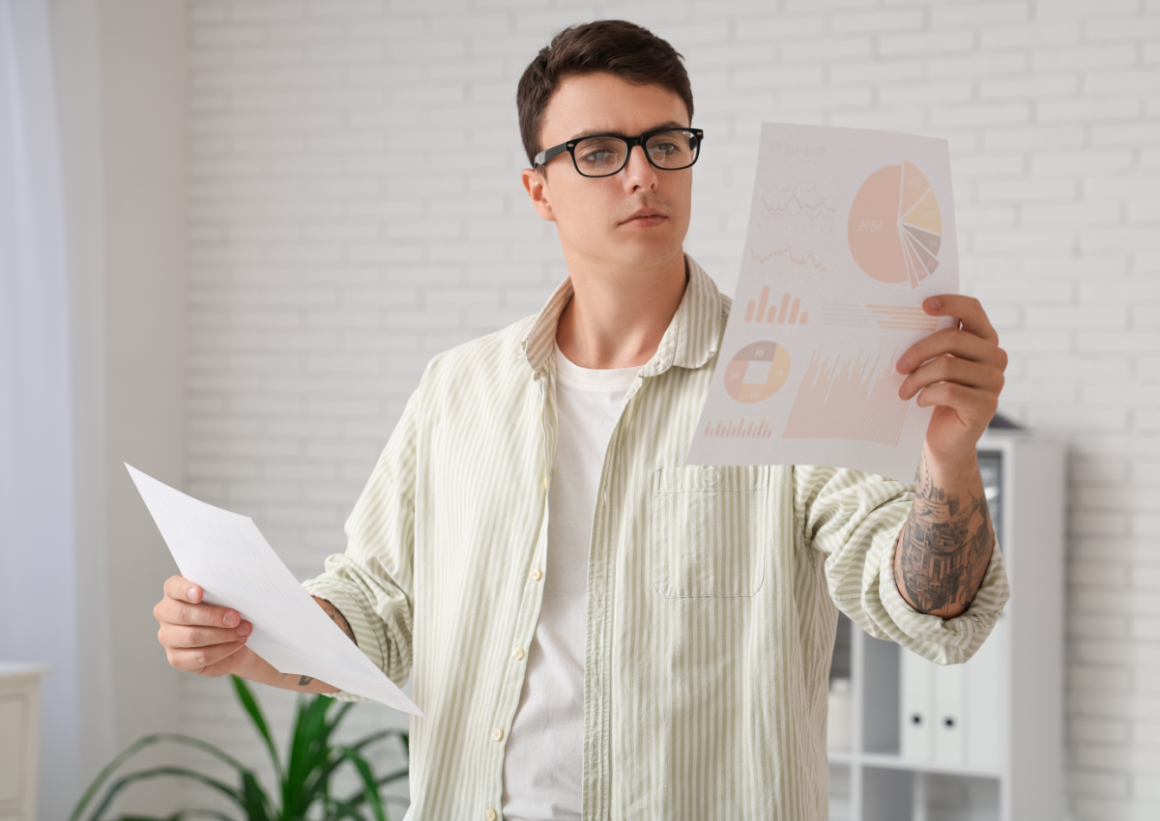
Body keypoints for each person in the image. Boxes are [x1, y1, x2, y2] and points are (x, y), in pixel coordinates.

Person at [153, 20, 1010, 821]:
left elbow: (929, 609)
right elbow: (380, 610)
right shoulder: (459, 389)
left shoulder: (787, 372)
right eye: (599, 151)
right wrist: (252, 637)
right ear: (540, 190)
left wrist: (950, 458)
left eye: (666, 144)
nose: (643, 174)